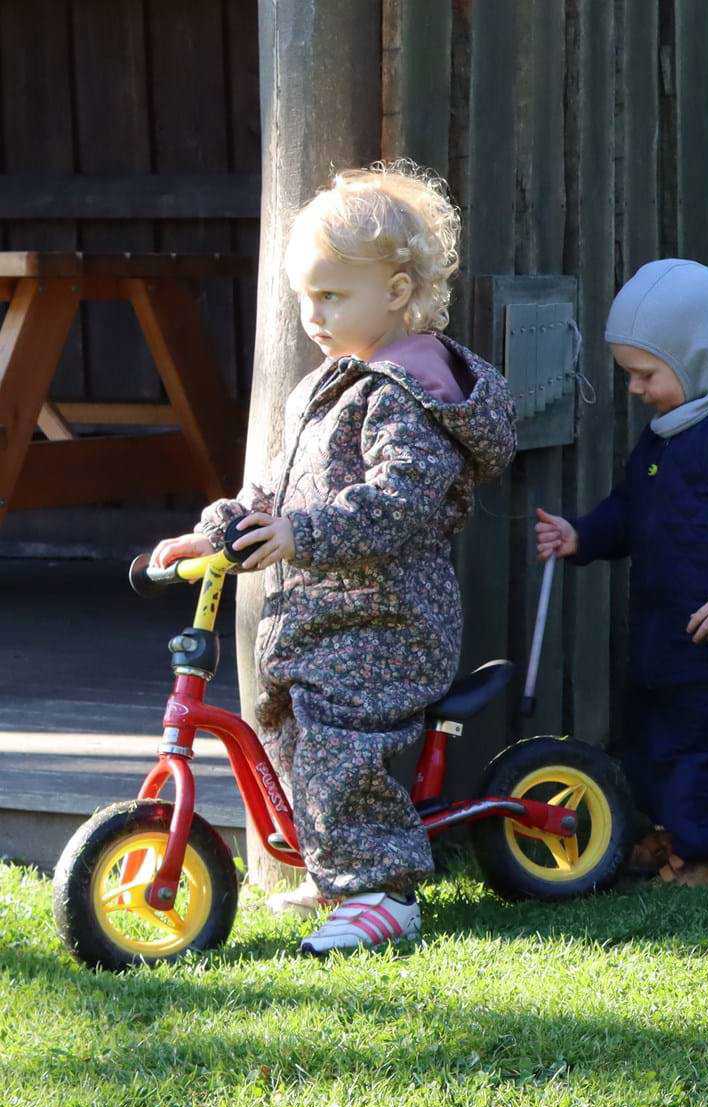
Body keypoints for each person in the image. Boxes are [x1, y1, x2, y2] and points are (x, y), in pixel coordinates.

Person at [152, 161, 516, 955]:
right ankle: (339, 865)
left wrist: (303, 536)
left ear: (394, 292)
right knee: (285, 732)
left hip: (385, 625)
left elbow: (402, 500)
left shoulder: (401, 397)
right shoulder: (321, 389)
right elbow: (272, 491)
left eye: (331, 295)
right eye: (305, 297)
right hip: (318, 622)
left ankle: (383, 894)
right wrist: (217, 531)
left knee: (337, 745)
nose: (313, 315)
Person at [534, 260, 708, 886]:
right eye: (630, 373)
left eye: (646, 374)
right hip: (666, 633)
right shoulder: (665, 438)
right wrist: (583, 536)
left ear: (700, 360)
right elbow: (631, 509)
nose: (635, 388)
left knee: (701, 750)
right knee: (651, 743)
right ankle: (669, 834)